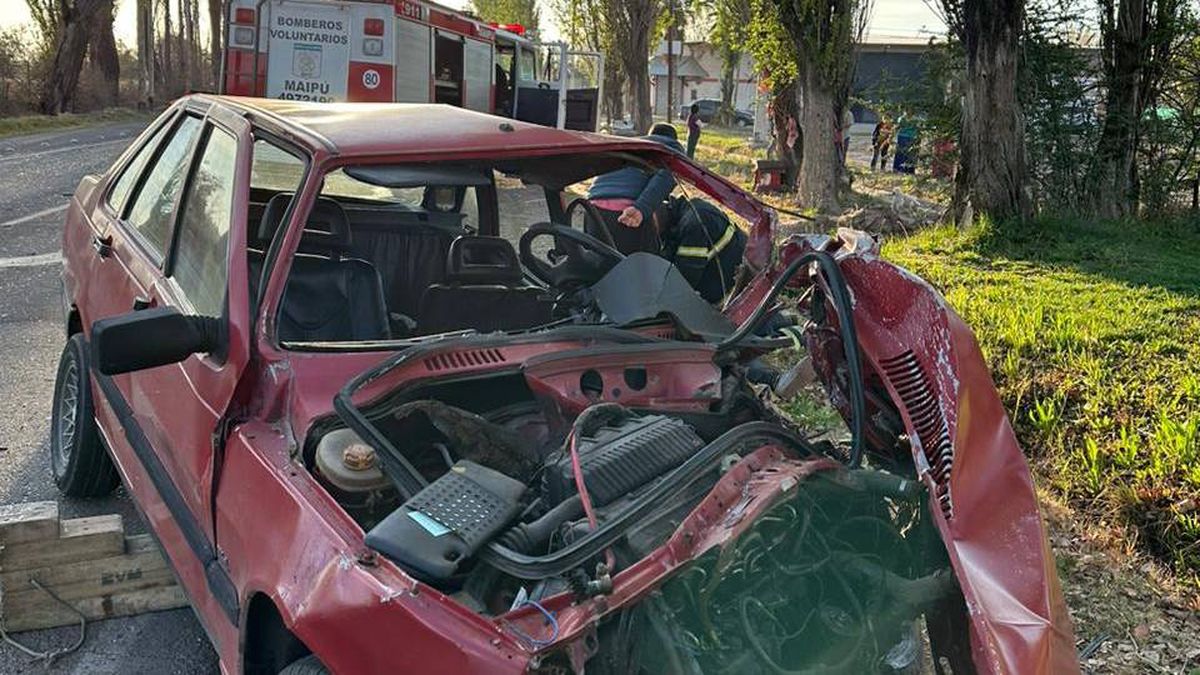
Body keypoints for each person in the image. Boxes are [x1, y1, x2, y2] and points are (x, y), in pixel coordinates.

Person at [586, 123, 684, 255]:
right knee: (644, 268)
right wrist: (641, 208)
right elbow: (667, 175)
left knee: (599, 266)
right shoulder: (670, 146)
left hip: (593, 210)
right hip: (627, 213)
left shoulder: (631, 145)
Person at [660, 196, 746, 304]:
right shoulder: (682, 215)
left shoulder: (694, 222)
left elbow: (683, 282)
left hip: (739, 298)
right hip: (728, 282)